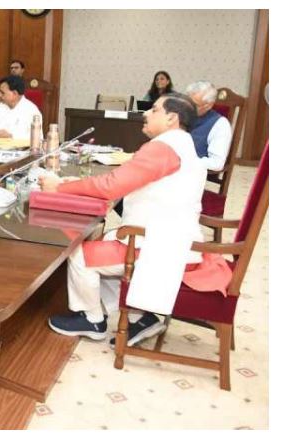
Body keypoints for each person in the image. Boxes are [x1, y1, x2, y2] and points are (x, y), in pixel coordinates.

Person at [40, 94, 228, 347]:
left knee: (79, 255)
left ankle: (92, 320)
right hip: (176, 237)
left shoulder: (163, 148)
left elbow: (112, 185)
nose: (146, 114)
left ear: (171, 118)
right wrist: (77, 185)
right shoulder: (183, 144)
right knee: (102, 242)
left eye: (154, 110)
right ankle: (141, 317)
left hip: (159, 243)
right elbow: (126, 181)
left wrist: (59, 188)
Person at [185, 80, 233, 172]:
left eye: (194, 104)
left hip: (190, 172)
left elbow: (217, 163)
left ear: (208, 105)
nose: (187, 107)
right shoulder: (180, 115)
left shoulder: (220, 124)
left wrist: (186, 161)